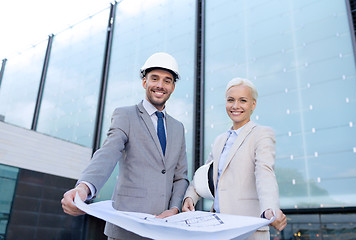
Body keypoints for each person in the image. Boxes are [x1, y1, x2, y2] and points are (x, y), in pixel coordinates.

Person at [61, 52, 189, 240]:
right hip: (126, 228)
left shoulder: (178, 128)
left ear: (173, 87)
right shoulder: (125, 115)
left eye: (167, 80)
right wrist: (84, 187)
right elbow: (108, 153)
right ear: (144, 82)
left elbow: (180, 177)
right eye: (154, 79)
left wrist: (175, 208)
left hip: (163, 228)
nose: (160, 85)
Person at [182, 77, 287, 240]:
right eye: (231, 100)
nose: (235, 106)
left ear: (253, 104)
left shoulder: (261, 134)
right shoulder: (219, 141)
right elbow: (203, 175)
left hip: (247, 231)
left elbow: (264, 174)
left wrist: (270, 209)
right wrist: (190, 197)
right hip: (218, 229)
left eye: (243, 100)